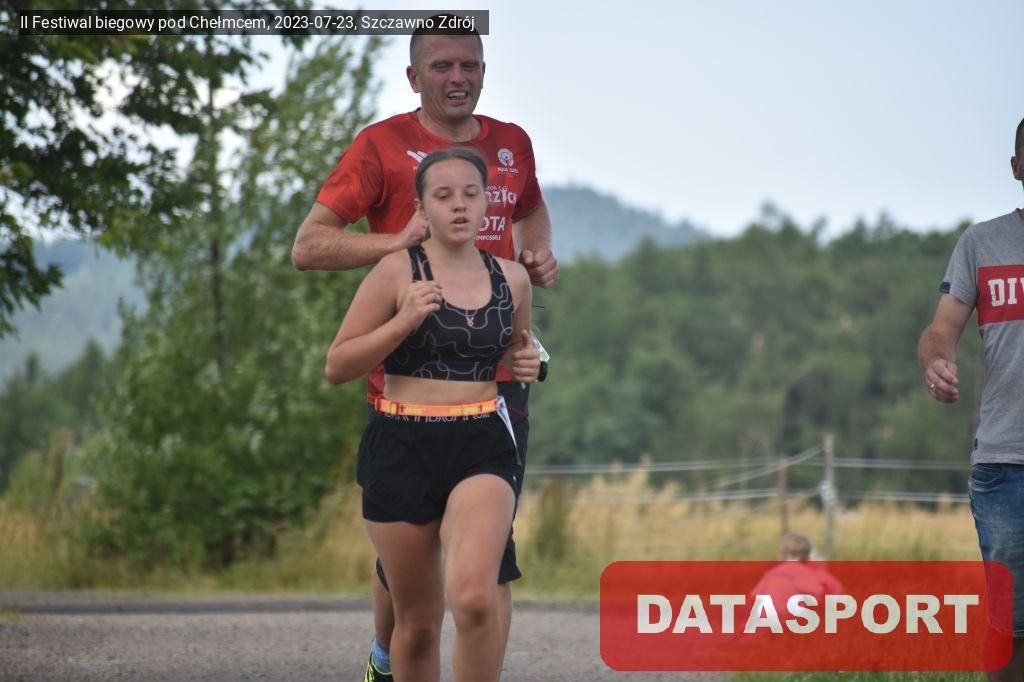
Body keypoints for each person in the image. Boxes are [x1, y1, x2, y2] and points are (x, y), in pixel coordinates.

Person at [292, 20, 556, 681]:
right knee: (411, 592)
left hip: (493, 386)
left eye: (470, 65)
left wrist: (536, 252)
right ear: (414, 77)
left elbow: (531, 209)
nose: (458, 77)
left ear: (485, 71)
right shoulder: (380, 146)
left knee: (487, 571)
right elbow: (309, 245)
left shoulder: (512, 144)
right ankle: (387, 657)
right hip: (405, 384)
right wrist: (400, 246)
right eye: (442, 66)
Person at [324, 147, 540, 682]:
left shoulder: (512, 278)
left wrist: (532, 361)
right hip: (402, 443)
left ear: (487, 202)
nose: (459, 205)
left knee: (475, 600)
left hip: (482, 442)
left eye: (471, 194)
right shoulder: (396, 271)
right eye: (443, 196)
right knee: (419, 624)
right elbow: (337, 365)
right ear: (421, 209)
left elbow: (521, 350)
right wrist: (403, 321)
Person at [919, 115, 1024, 682]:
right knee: (1009, 626)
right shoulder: (980, 243)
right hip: (1007, 463)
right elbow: (941, 330)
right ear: (1016, 167)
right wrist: (936, 361)